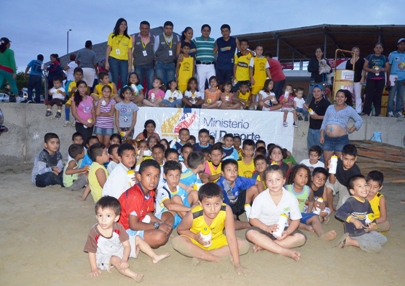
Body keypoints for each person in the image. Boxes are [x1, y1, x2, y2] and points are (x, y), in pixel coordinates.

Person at [171, 183, 251, 275]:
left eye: (217, 204)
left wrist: (237, 264)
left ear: (222, 201)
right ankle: (215, 258)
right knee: (177, 241)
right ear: (200, 204)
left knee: (244, 245)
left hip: (217, 240)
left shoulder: (226, 210)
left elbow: (231, 238)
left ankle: (200, 255)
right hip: (197, 241)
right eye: (208, 204)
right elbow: (181, 230)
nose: (212, 209)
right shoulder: (193, 214)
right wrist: (195, 237)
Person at [245, 165, 306, 261]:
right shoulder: (260, 198)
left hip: (283, 229)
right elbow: (252, 219)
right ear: (265, 182)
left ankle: (265, 246)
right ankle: (285, 251)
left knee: (301, 238)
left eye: (278, 180)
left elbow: (296, 220)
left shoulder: (290, 198)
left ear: (284, 180)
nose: (274, 183)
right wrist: (266, 228)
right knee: (250, 233)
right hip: (263, 228)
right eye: (270, 180)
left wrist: (288, 232)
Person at [83, 196, 144, 282]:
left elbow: (126, 245)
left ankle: (155, 256)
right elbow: (91, 252)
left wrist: (124, 259)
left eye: (108, 216)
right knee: (115, 259)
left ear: (116, 218)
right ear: (96, 216)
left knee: (137, 239)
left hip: (117, 248)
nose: (103, 220)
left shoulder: (118, 227)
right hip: (103, 255)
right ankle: (134, 275)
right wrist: (94, 268)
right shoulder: (94, 233)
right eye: (100, 215)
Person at [118, 160, 174, 249]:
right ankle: (139, 242)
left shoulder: (150, 191)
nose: (153, 180)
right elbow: (133, 225)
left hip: (141, 219)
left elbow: (147, 213)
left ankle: (162, 231)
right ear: (139, 176)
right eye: (148, 175)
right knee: (160, 237)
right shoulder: (134, 196)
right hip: (126, 229)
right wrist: (157, 226)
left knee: (169, 215)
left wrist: (161, 223)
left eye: (156, 176)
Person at [335, 175, 387, 253]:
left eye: (365, 185)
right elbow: (339, 213)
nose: (364, 188)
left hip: (365, 230)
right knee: (376, 248)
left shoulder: (366, 202)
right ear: (352, 191)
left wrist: (371, 225)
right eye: (360, 186)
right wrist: (354, 220)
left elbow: (371, 215)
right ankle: (349, 241)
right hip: (354, 232)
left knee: (383, 239)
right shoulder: (351, 202)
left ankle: (363, 241)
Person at [286, 165, 336, 241]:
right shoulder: (287, 188)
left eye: (306, 176)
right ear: (293, 176)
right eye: (300, 175)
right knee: (287, 220)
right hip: (288, 214)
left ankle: (322, 234)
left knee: (314, 217)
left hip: (300, 214)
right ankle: (305, 227)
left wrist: (309, 213)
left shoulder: (308, 190)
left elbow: (311, 201)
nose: (303, 178)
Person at [320, 89, 363, 167]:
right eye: (338, 96)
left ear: (345, 99)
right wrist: (322, 135)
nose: (339, 98)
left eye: (342, 97)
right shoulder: (330, 107)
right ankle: (326, 178)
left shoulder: (349, 109)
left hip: (341, 140)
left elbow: (359, 120)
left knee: (341, 162)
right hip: (328, 139)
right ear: (335, 98)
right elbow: (324, 122)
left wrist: (351, 129)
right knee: (326, 162)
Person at [216, 159, 262, 230]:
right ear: (223, 173)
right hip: (227, 208)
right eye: (229, 170)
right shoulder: (219, 185)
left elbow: (259, 183)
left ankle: (258, 215)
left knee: (254, 189)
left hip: (238, 202)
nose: (232, 173)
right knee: (229, 223)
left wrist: (265, 201)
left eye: (235, 170)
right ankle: (251, 224)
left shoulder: (238, 180)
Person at [155, 161, 197, 229]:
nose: (175, 179)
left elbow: (190, 197)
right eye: (171, 175)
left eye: (177, 175)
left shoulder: (180, 187)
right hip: (168, 218)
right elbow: (170, 206)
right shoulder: (162, 190)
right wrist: (191, 209)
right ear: (164, 176)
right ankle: (192, 226)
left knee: (194, 193)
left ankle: (198, 219)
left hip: (181, 215)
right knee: (176, 198)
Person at [327, 144, 361, 210]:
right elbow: (332, 182)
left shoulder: (356, 172)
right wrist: (331, 170)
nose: (349, 162)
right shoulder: (336, 162)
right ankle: (330, 208)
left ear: (355, 159)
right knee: (328, 187)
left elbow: (355, 190)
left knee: (341, 210)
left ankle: (336, 207)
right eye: (346, 159)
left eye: (352, 160)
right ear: (341, 157)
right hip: (337, 181)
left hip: (347, 187)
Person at [362, 43, 389, 116]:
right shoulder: (370, 57)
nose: (378, 49)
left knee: (378, 96)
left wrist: (382, 69)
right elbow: (364, 67)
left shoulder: (384, 58)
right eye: (377, 47)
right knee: (369, 95)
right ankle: (366, 112)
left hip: (381, 79)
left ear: (382, 49)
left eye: (380, 48)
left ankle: (378, 113)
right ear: (374, 49)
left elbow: (387, 68)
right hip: (371, 78)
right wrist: (372, 70)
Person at [106, 18, 133, 88]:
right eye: (121, 24)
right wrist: (106, 61)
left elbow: (130, 52)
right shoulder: (112, 35)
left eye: (125, 24)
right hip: (113, 59)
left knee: (124, 80)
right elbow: (109, 48)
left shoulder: (129, 37)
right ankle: (115, 97)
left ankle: (123, 97)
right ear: (118, 25)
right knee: (114, 79)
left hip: (124, 61)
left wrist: (130, 65)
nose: (123, 26)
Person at [214, 24, 240, 90]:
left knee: (228, 85)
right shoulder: (218, 41)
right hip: (220, 66)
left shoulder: (234, 40)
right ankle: (220, 98)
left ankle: (228, 99)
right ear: (221, 32)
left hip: (230, 66)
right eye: (223, 31)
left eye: (226, 31)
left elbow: (241, 50)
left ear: (230, 31)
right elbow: (214, 52)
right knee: (220, 85)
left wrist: (251, 52)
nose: (225, 33)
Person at [306, 84, 331, 153]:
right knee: (311, 150)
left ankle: (322, 164)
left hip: (320, 131)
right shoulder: (312, 102)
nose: (316, 93)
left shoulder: (326, 103)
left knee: (320, 151)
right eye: (314, 91)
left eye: (318, 91)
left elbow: (331, 117)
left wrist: (318, 117)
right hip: (311, 130)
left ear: (322, 92)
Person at [132, 21, 155, 92]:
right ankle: (140, 100)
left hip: (150, 65)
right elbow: (130, 51)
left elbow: (156, 51)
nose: (144, 30)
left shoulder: (154, 38)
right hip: (138, 64)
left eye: (146, 28)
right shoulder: (134, 37)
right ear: (139, 28)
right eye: (142, 28)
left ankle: (150, 100)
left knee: (150, 84)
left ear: (149, 29)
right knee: (139, 85)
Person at [71, 80, 95, 145]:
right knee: (83, 141)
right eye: (81, 87)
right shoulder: (74, 99)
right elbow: (74, 113)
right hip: (80, 124)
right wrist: (83, 122)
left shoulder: (90, 98)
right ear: (77, 88)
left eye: (84, 87)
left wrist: (94, 121)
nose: (83, 89)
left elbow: (93, 111)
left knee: (89, 141)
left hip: (90, 123)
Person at [193, 24, 216, 93]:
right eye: (204, 31)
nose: (206, 32)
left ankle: (211, 101)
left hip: (211, 65)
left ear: (210, 32)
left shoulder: (213, 41)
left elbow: (215, 50)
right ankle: (202, 102)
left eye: (208, 31)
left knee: (213, 83)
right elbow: (191, 49)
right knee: (200, 85)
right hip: (200, 65)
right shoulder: (196, 40)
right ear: (201, 31)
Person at [387, 38, 405, 118]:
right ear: (397, 45)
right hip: (393, 78)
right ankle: (390, 111)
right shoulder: (392, 54)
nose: (402, 46)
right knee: (391, 96)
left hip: (403, 79)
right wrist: (388, 79)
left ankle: (398, 111)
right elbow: (389, 67)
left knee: (400, 96)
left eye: (404, 44)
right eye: (401, 44)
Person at [345, 46, 366, 114]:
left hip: (358, 80)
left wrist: (363, 78)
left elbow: (364, 70)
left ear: (359, 53)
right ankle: (348, 109)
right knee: (348, 95)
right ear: (351, 52)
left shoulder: (361, 60)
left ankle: (358, 110)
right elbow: (346, 71)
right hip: (349, 80)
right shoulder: (348, 61)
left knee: (358, 95)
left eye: (357, 51)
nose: (355, 52)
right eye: (354, 51)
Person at [0, 37, 18, 102]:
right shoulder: (10, 51)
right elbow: (12, 62)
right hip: (8, 70)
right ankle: (17, 98)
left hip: (0, 69)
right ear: (7, 44)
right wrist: (14, 72)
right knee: (13, 84)